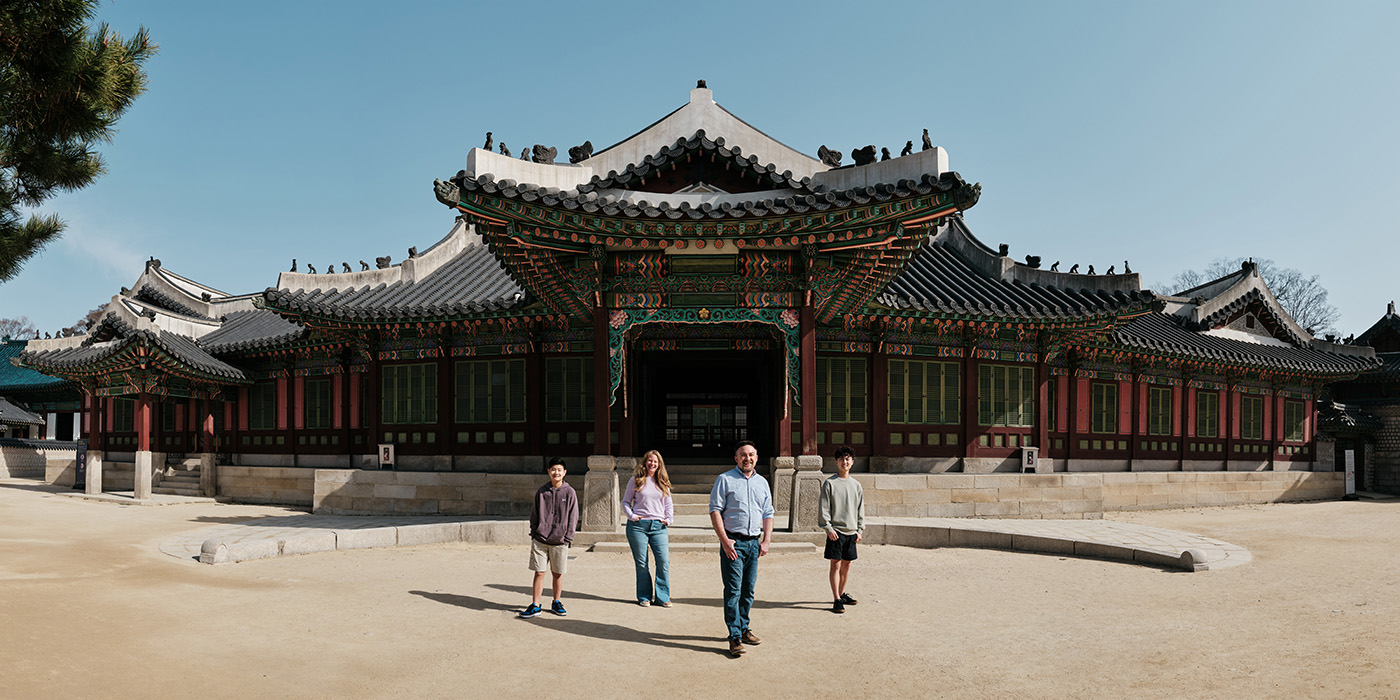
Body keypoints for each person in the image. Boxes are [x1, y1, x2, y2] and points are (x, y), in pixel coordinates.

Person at [709, 440, 774, 657]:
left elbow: (768, 513)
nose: (747, 458)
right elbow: (715, 511)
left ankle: (745, 628)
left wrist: (766, 540)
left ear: (756, 457)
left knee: (748, 591)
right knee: (733, 591)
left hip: (754, 543)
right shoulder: (724, 480)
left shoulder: (762, 483)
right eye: (743, 455)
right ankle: (734, 636)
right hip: (733, 543)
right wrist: (724, 540)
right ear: (736, 458)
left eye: (751, 454)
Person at [519, 457, 578, 619]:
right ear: (548, 472)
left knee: (557, 573)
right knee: (539, 572)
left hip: (560, 540)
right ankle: (536, 604)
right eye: (553, 469)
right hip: (540, 539)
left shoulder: (569, 492)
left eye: (559, 470)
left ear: (564, 472)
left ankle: (556, 601)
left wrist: (568, 537)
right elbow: (535, 514)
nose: (556, 472)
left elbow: (573, 517)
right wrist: (534, 532)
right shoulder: (542, 491)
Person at [623, 449, 675, 607]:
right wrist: (631, 516)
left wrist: (669, 519)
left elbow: (668, 503)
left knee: (663, 562)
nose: (652, 464)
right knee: (642, 563)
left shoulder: (662, 481)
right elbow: (626, 502)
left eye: (656, 462)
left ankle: (662, 597)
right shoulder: (636, 480)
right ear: (645, 462)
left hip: (658, 526)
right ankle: (644, 596)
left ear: (659, 465)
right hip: (638, 526)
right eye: (650, 460)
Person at [818, 445, 864, 614]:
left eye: (848, 459)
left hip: (852, 531)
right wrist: (828, 528)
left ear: (852, 462)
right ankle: (836, 598)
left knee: (847, 564)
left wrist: (860, 529)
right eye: (841, 459)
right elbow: (824, 509)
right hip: (835, 532)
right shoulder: (829, 483)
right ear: (836, 462)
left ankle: (842, 593)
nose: (845, 462)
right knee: (835, 565)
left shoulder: (856, 485)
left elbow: (861, 509)